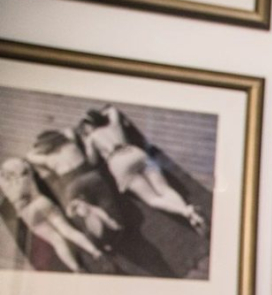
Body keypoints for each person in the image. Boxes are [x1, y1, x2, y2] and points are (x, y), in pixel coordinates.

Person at [77, 105, 206, 234]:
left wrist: (86, 141)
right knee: (164, 189)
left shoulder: (91, 138)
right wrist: (99, 114)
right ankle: (190, 213)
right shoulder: (114, 124)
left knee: (152, 199)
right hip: (135, 153)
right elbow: (112, 110)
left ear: (89, 126)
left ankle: (186, 211)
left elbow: (92, 161)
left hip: (118, 162)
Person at [0, 157, 104, 272]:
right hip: (40, 201)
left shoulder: (4, 183)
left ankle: (77, 269)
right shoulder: (26, 172)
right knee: (67, 230)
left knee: (56, 241)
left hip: (26, 212)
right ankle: (96, 252)